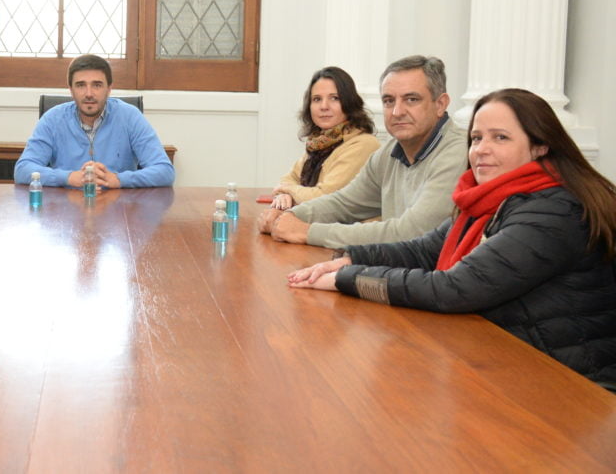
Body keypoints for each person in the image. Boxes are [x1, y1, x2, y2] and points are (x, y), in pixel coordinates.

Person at [287, 88, 616, 385]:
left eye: (500, 138)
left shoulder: (554, 212)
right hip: (509, 364)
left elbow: (455, 288)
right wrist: (351, 258)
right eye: (476, 138)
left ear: (540, 146)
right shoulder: (487, 200)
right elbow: (424, 250)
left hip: (570, 385)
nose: (481, 150)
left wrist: (349, 278)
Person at [257, 55, 466, 248]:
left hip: (433, 280)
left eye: (411, 99)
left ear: (440, 104)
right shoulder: (390, 152)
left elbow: (410, 233)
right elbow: (344, 203)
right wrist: (288, 217)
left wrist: (308, 231)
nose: (397, 111)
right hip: (397, 271)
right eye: (389, 101)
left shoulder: (457, 152)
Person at [14, 55, 174, 189]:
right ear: (70, 89)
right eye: (81, 85)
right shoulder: (53, 119)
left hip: (118, 211)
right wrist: (68, 177)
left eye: (97, 85)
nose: (89, 93)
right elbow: (22, 170)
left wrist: (118, 179)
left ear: (109, 88)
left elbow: (164, 171)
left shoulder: (130, 116)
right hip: (67, 209)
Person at [270, 66, 381, 210]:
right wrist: (284, 194)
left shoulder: (363, 144)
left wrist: (289, 191)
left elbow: (324, 198)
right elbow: (289, 179)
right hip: (317, 225)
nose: (324, 106)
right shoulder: (320, 143)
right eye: (316, 99)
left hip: (350, 230)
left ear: (349, 103)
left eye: (334, 98)